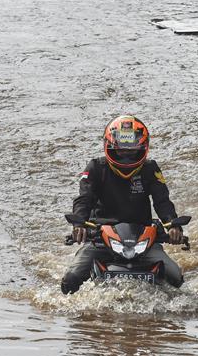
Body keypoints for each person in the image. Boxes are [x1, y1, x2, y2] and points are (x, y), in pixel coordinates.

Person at [61, 115, 185, 294]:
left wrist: (173, 225)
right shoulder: (96, 168)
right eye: (121, 151)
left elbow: (162, 202)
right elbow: (84, 198)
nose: (126, 156)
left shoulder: (151, 169)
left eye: (132, 152)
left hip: (143, 238)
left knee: (176, 278)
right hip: (100, 238)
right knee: (70, 281)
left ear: (143, 148)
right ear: (109, 147)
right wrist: (79, 223)